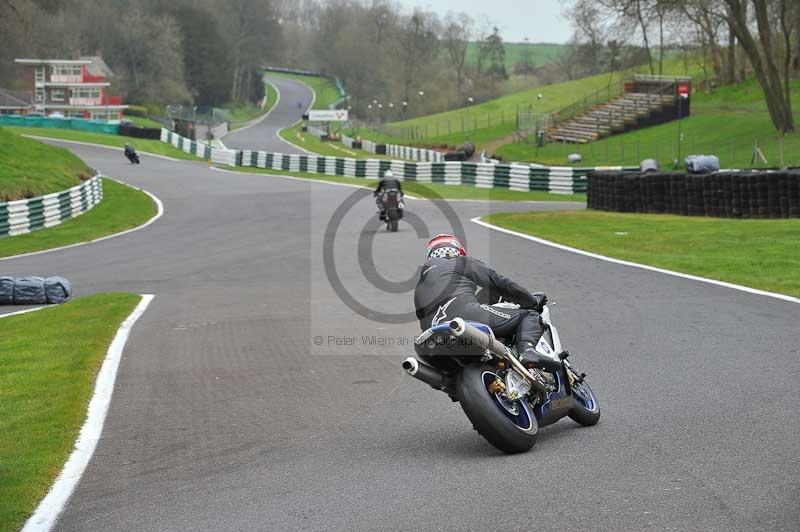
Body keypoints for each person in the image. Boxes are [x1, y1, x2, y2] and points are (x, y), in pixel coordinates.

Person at [413, 234, 558, 371]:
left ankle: (455, 384)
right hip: (465, 316)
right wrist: (532, 301)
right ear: (457, 250)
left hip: (433, 341)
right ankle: (528, 351)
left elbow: (423, 325)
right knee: (529, 316)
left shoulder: (419, 288)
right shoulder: (460, 262)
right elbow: (501, 283)